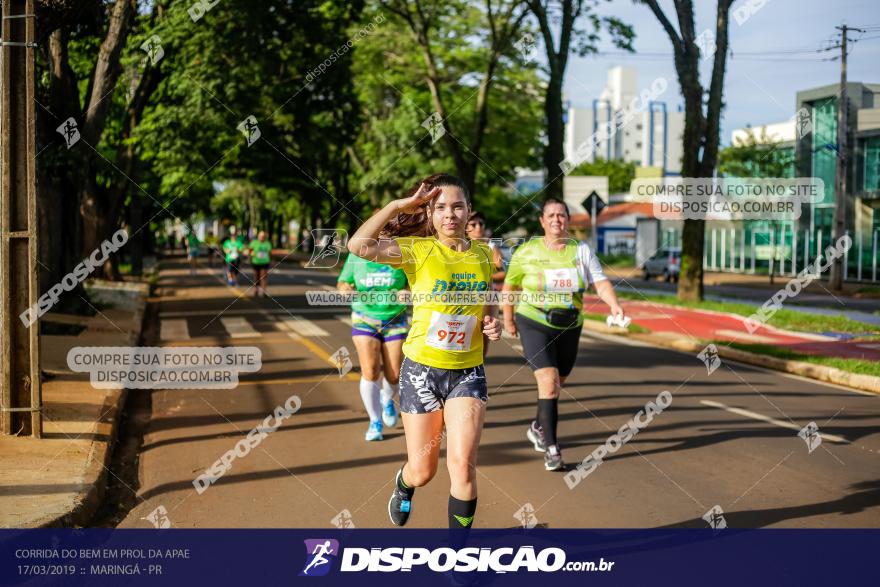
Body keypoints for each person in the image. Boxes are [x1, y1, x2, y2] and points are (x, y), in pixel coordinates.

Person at [348, 173, 502, 530]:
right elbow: (358, 246)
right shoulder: (417, 251)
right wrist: (398, 205)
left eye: (458, 206)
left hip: (468, 373)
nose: (450, 214)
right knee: (423, 470)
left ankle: (459, 559)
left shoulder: (482, 255)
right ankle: (403, 484)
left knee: (462, 465)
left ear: (468, 211)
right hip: (421, 373)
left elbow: (488, 305)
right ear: (429, 214)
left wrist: (490, 326)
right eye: (440, 208)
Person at [501, 197, 627, 471]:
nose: (557, 220)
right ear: (542, 222)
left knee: (557, 384)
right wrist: (509, 319)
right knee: (548, 381)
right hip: (533, 319)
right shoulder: (526, 252)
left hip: (570, 323)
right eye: (551, 215)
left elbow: (600, 282)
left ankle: (537, 426)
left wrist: (614, 304)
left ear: (568, 221)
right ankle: (552, 449)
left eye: (562, 215)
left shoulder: (581, 250)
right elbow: (509, 288)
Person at [337, 249, 409, 441]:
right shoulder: (357, 256)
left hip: (395, 319)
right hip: (364, 318)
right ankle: (374, 420)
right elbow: (343, 282)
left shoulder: (401, 254)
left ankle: (386, 399)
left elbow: (417, 284)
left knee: (394, 374)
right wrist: (344, 289)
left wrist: (408, 292)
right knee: (370, 370)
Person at [465, 211, 506, 287]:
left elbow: (503, 273)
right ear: (466, 227)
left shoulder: (491, 246)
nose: (478, 227)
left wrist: (481, 278)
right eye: (473, 224)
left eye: (481, 224)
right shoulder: (461, 246)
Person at [247, 230, 273, 297]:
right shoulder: (254, 243)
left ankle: (264, 291)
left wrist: (270, 260)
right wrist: (249, 258)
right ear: (258, 237)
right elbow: (250, 250)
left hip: (265, 262)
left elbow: (270, 253)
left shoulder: (267, 243)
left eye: (263, 236)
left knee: (263, 276)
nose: (262, 238)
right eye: (261, 236)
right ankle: (256, 290)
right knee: (256, 277)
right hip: (256, 262)